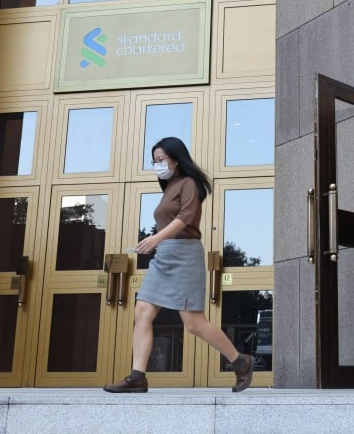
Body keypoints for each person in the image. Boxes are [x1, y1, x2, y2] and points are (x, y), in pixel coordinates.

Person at [104, 137, 254, 393]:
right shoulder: (170, 186)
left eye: (161, 160)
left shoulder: (189, 184)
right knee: (142, 312)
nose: (157, 165)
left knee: (194, 323)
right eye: (154, 161)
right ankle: (137, 376)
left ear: (176, 159)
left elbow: (185, 218)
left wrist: (154, 238)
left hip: (184, 255)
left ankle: (240, 362)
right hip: (164, 256)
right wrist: (157, 242)